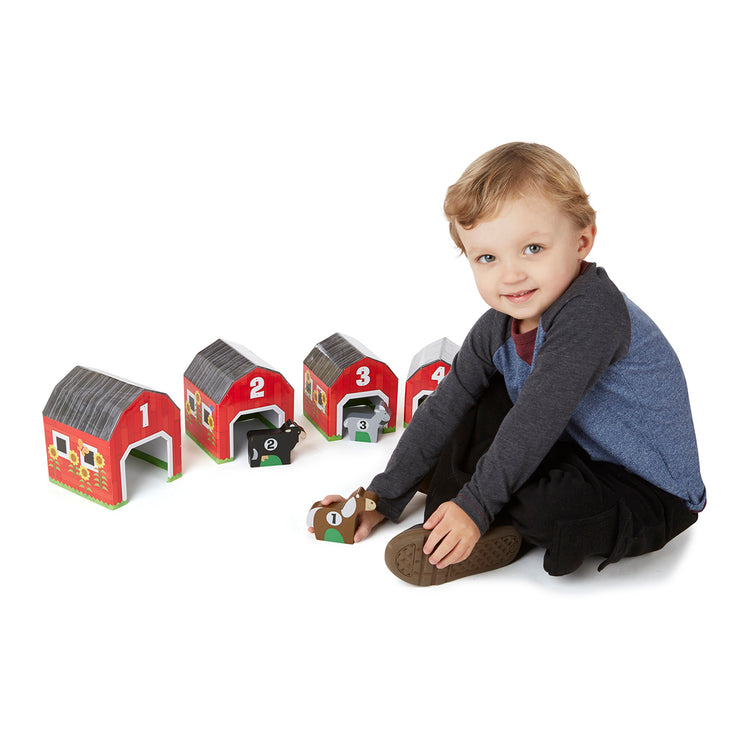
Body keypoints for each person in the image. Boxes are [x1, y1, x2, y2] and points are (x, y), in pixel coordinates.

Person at [310, 142, 706, 585]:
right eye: (487, 258)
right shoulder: (498, 324)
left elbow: (536, 418)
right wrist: (383, 496)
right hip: (571, 444)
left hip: (644, 488)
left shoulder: (592, 311)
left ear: (583, 240)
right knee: (459, 407)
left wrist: (475, 505)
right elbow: (447, 404)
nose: (510, 275)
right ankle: (468, 502)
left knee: (547, 506)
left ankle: (488, 518)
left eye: (533, 248)